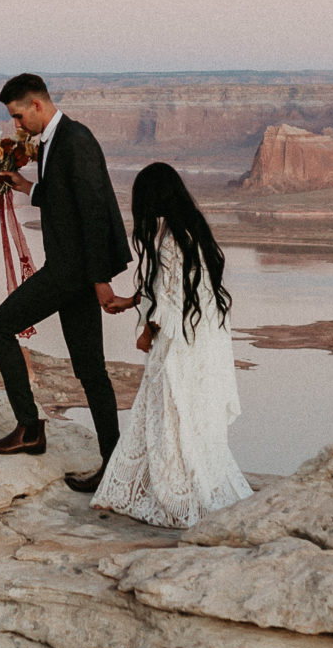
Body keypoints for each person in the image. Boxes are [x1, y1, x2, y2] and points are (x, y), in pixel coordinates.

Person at [0, 73, 133, 494]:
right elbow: (64, 196)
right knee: (90, 370)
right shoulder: (55, 139)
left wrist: (101, 281)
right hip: (72, 268)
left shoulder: (75, 140)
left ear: (37, 106)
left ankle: (29, 428)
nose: (16, 126)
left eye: (18, 116)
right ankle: (113, 465)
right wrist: (28, 187)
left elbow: (94, 210)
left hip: (71, 271)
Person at [90, 164, 253, 527]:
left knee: (169, 413)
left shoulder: (170, 241)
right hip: (203, 341)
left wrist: (146, 335)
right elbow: (171, 287)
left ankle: (174, 496)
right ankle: (168, 486)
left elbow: (166, 302)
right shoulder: (191, 229)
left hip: (179, 346)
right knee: (190, 415)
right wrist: (130, 301)